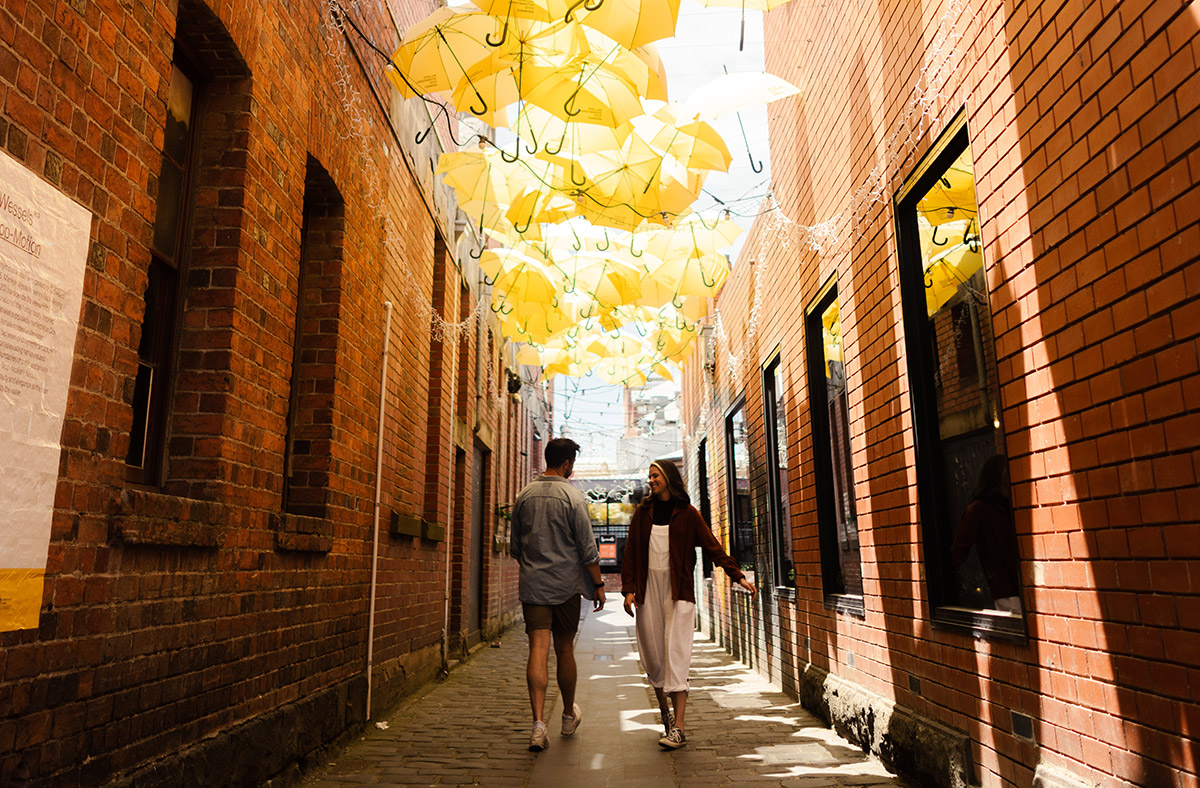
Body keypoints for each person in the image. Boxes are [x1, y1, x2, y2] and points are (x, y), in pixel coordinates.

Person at [621, 459, 757, 750]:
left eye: (655, 475)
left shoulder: (688, 514)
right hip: (648, 593)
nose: (651, 480)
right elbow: (631, 552)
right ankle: (666, 715)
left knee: (676, 655)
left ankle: (679, 727)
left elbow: (713, 547)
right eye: (650, 476)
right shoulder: (642, 513)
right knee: (655, 658)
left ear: (669, 478)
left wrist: (738, 576)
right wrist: (628, 590)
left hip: (678, 593)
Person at [510, 438, 606, 752]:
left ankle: (538, 725)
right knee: (564, 649)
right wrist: (598, 585)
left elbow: (515, 547)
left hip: (534, 585)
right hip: (566, 586)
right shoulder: (573, 497)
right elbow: (587, 548)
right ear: (566, 464)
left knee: (537, 647)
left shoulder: (524, 495)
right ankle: (567, 715)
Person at [950, 454, 1022, 612]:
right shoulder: (978, 510)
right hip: (1006, 592)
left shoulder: (1011, 504)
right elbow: (957, 554)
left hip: (1022, 586)